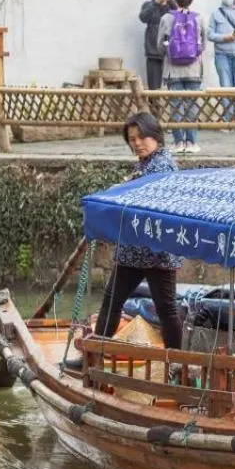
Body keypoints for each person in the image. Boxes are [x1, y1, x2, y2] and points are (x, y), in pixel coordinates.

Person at [89, 112, 184, 348]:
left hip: (156, 251)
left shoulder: (162, 165)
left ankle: (175, 361)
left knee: (165, 308)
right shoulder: (147, 162)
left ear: (155, 136)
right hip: (135, 250)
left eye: (142, 137)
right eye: (132, 139)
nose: (137, 143)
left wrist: (118, 192)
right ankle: (96, 353)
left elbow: (144, 200)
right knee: (114, 301)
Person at [157, 0, 205, 154]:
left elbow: (160, 45)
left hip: (173, 70)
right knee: (192, 105)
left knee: (176, 106)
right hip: (193, 70)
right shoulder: (199, 18)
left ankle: (178, 143)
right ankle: (191, 142)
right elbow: (203, 44)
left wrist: (167, 54)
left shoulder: (167, 18)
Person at [138, 0, 176, 89]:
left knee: (174, 87)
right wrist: (156, 2)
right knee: (154, 88)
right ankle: (154, 102)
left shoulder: (174, 5)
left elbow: (181, 16)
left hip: (173, 52)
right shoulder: (148, 5)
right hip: (153, 52)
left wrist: (169, 0)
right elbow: (143, 18)